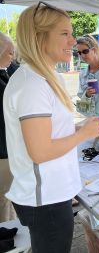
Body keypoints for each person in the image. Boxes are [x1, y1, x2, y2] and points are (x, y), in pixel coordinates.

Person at [3, 2, 99, 253]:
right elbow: (40, 151)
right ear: (39, 37)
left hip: (51, 195)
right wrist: (83, 134)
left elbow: (48, 132)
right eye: (64, 34)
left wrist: (78, 127)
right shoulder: (32, 83)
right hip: (45, 200)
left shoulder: (45, 77)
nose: (73, 41)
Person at [0, 32, 16, 223]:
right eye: (10, 53)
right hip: (3, 151)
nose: (13, 58)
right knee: (4, 199)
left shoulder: (6, 72)